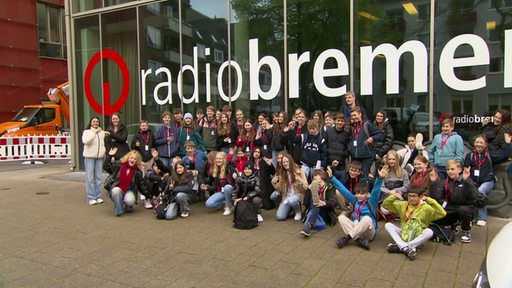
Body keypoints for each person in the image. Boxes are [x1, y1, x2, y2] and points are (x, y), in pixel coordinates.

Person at [328, 165, 386, 250]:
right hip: (357, 228)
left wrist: (380, 178)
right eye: (357, 193)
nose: (359, 196)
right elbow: (343, 189)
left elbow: (376, 190)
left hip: (369, 232)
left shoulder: (371, 201)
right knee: (341, 218)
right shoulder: (354, 200)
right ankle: (359, 241)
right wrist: (332, 178)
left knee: (366, 218)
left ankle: (347, 238)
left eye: (362, 194)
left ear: (367, 194)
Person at [382, 185, 447, 260]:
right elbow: (385, 205)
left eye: (414, 196)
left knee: (429, 232)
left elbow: (443, 213)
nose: (412, 198)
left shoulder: (426, 207)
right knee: (388, 225)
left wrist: (429, 200)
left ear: (420, 197)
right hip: (404, 233)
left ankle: (403, 246)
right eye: (410, 196)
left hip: (418, 236)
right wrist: (394, 197)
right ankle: (406, 248)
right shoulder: (403, 205)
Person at [463, 133, 512, 227]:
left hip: (487, 181)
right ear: (474, 143)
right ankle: (471, 217)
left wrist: (508, 143)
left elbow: (505, 155)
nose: (479, 144)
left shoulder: (490, 155)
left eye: (481, 142)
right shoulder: (470, 155)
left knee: (481, 191)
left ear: (485, 144)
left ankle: (482, 217)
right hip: (474, 181)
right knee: (469, 191)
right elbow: (466, 167)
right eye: (477, 142)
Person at [430, 160, 477, 243]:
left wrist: (467, 181)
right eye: (448, 170)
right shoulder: (445, 182)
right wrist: (433, 183)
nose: (450, 172)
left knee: (463, 210)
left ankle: (466, 230)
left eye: (452, 169)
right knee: (435, 218)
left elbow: (474, 196)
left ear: (459, 170)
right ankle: (453, 225)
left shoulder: (465, 180)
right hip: (450, 207)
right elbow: (437, 197)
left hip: (465, 207)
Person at [104, 150, 150, 216]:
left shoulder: (138, 172)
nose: (132, 160)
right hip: (118, 189)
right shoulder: (119, 166)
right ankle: (119, 211)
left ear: (137, 161)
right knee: (116, 191)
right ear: (128, 158)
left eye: (135, 159)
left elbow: (141, 185)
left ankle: (128, 205)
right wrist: (109, 156)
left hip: (129, 191)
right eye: (131, 158)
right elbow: (106, 167)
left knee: (130, 201)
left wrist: (148, 196)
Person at [300, 169, 341, 237]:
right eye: (313, 178)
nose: (314, 178)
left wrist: (324, 203)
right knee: (315, 202)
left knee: (317, 201)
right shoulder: (312, 187)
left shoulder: (330, 187)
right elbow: (305, 203)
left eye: (316, 175)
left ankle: (308, 226)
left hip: (325, 212)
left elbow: (332, 203)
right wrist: (308, 190)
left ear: (323, 178)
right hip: (313, 210)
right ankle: (309, 225)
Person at [270, 153, 308, 221]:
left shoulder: (299, 171)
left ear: (291, 161)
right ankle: (292, 208)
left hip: (298, 195)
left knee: (292, 200)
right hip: (287, 197)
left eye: (287, 161)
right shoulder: (283, 173)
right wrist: (274, 183)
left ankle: (298, 212)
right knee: (280, 217)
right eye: (283, 162)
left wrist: (300, 180)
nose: (285, 164)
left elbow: (306, 188)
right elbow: (280, 189)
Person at [348, 106, 384, 177]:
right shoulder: (352, 126)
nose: (353, 117)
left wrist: (373, 138)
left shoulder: (367, 124)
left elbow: (381, 134)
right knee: (354, 176)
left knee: (365, 176)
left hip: (366, 157)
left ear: (360, 114)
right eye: (352, 116)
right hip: (354, 157)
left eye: (355, 115)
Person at [82, 116, 108, 205]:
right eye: (93, 122)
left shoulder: (101, 132)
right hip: (89, 156)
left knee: (98, 178)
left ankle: (98, 196)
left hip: (99, 157)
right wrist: (94, 132)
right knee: (90, 178)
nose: (95, 123)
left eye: (97, 121)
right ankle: (91, 197)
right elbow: (86, 141)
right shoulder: (87, 132)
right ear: (90, 123)